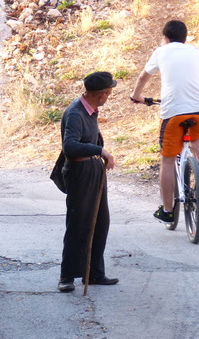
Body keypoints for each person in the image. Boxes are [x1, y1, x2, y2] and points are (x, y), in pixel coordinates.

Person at [130, 20, 199, 224]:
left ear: (165, 37)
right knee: (196, 133)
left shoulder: (161, 51)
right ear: (185, 38)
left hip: (174, 112)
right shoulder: (196, 51)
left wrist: (136, 95)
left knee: (168, 160)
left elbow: (144, 76)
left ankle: (168, 210)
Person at [57, 71, 118, 293]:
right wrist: (100, 150)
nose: (109, 96)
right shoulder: (75, 113)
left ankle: (93, 273)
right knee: (79, 224)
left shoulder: (89, 110)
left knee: (100, 222)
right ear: (101, 94)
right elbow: (70, 147)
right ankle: (66, 276)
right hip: (80, 173)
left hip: (93, 170)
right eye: (108, 93)